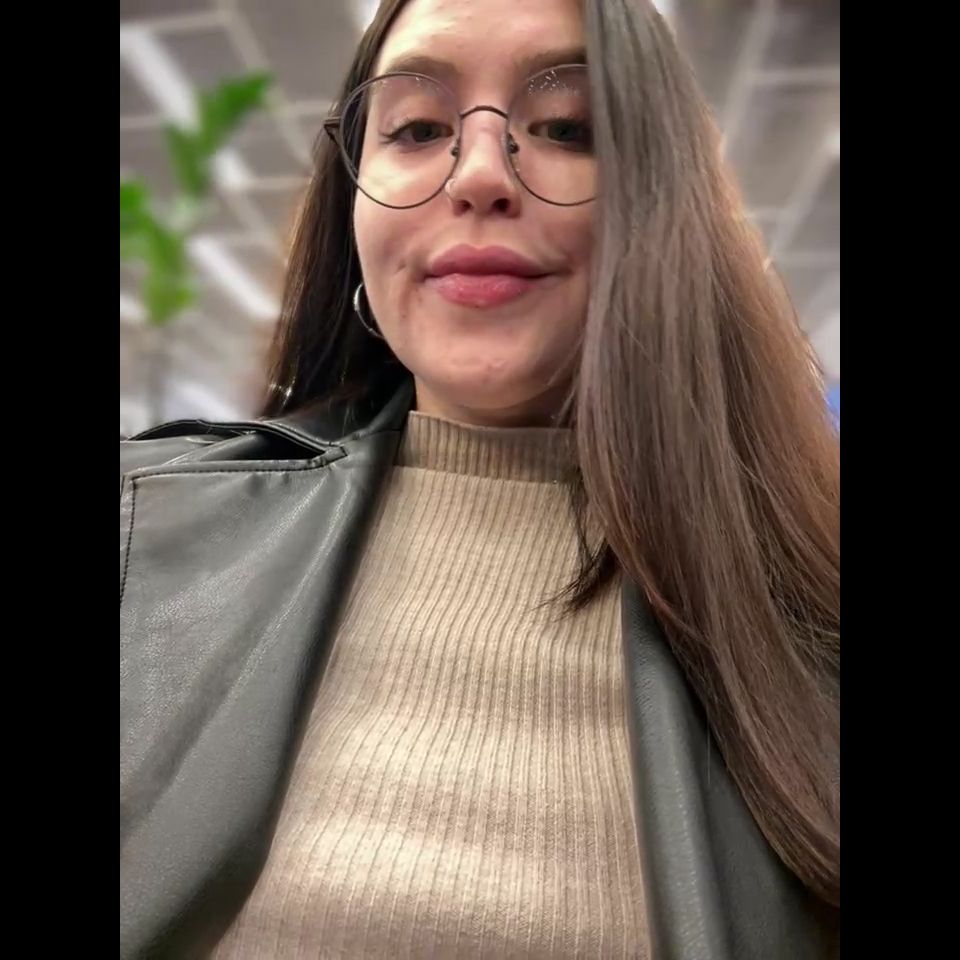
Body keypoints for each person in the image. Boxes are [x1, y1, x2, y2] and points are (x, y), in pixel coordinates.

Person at [119, 0, 840, 956]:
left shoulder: (813, 614)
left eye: (569, 128)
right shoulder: (144, 540)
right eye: (418, 128)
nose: (480, 176)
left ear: (665, 194)